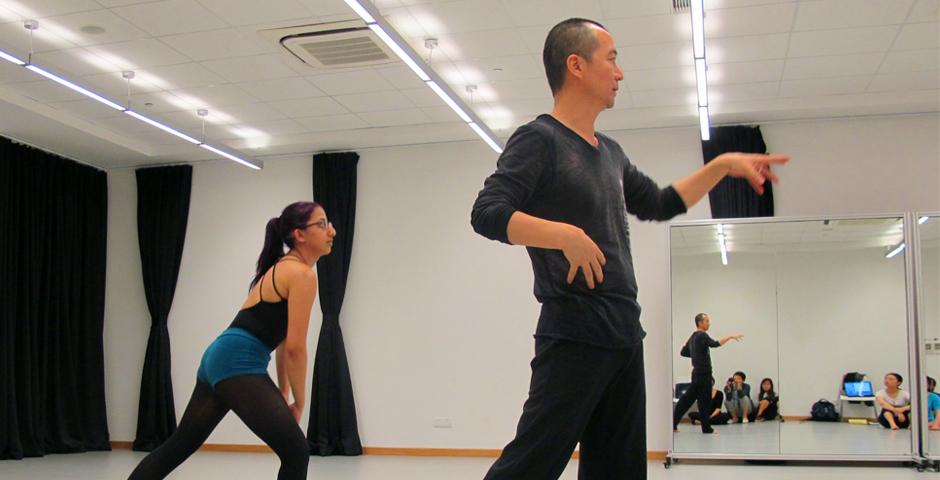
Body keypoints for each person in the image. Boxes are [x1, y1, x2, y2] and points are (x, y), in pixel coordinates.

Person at [470, 17, 787, 479]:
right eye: (613, 59)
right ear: (576, 65)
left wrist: (720, 166)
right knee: (531, 465)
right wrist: (564, 235)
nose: (620, 73)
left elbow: (658, 203)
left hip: (623, 332)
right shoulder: (540, 139)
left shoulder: (611, 153)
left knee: (619, 470)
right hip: (575, 330)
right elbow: (487, 212)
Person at [129, 201, 335, 480]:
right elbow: (297, 350)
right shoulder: (302, 274)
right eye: (322, 224)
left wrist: (283, 393)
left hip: (219, 357)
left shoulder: (284, 268)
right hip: (237, 363)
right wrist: (300, 401)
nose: (331, 231)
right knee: (296, 451)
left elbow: (285, 343)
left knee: (182, 443)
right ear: (299, 234)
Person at [673, 313, 743, 434]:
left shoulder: (694, 336)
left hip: (696, 374)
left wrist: (695, 351)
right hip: (704, 374)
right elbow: (715, 344)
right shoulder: (702, 335)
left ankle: (673, 424)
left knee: (686, 400)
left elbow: (684, 352)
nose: (709, 323)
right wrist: (730, 337)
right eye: (707, 321)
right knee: (704, 402)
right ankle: (706, 428)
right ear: (700, 323)